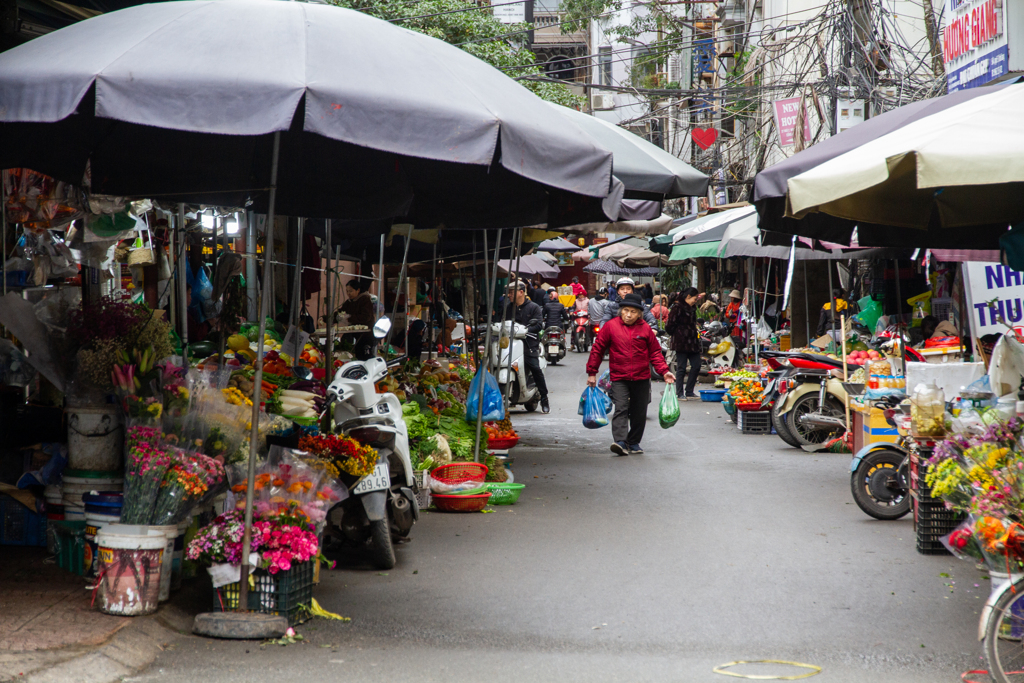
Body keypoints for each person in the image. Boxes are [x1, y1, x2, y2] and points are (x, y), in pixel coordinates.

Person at [587, 293, 675, 456]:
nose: (628, 314)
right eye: (625, 310)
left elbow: (655, 352)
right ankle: (620, 441)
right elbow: (598, 349)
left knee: (639, 411)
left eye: (633, 312)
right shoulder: (611, 326)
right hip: (619, 376)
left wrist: (664, 371)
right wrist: (592, 372)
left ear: (640, 314)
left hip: (641, 376)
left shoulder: (645, 329)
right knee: (621, 407)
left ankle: (633, 442)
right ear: (620, 311)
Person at [501, 280, 550, 413]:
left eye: (511, 292)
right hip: (511, 344)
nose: (509, 295)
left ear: (521, 292)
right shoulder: (508, 308)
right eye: (508, 292)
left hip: (529, 343)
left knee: (534, 367)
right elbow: (500, 323)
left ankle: (544, 397)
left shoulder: (533, 307)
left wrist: (527, 330)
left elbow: (539, 325)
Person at [666, 287, 704, 400]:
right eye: (695, 298)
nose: (696, 300)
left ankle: (689, 391)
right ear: (688, 297)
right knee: (681, 367)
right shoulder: (677, 308)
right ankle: (680, 393)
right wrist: (679, 334)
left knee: (696, 365)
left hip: (693, 342)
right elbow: (669, 325)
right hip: (681, 342)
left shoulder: (692, 308)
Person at [341, 278, 376, 360]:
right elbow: (340, 312)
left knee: (365, 356)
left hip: (366, 335)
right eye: (347, 291)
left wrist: (349, 318)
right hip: (356, 335)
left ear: (358, 290)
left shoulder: (365, 300)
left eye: (351, 291)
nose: (348, 293)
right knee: (357, 355)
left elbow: (365, 317)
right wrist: (327, 318)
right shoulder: (349, 302)